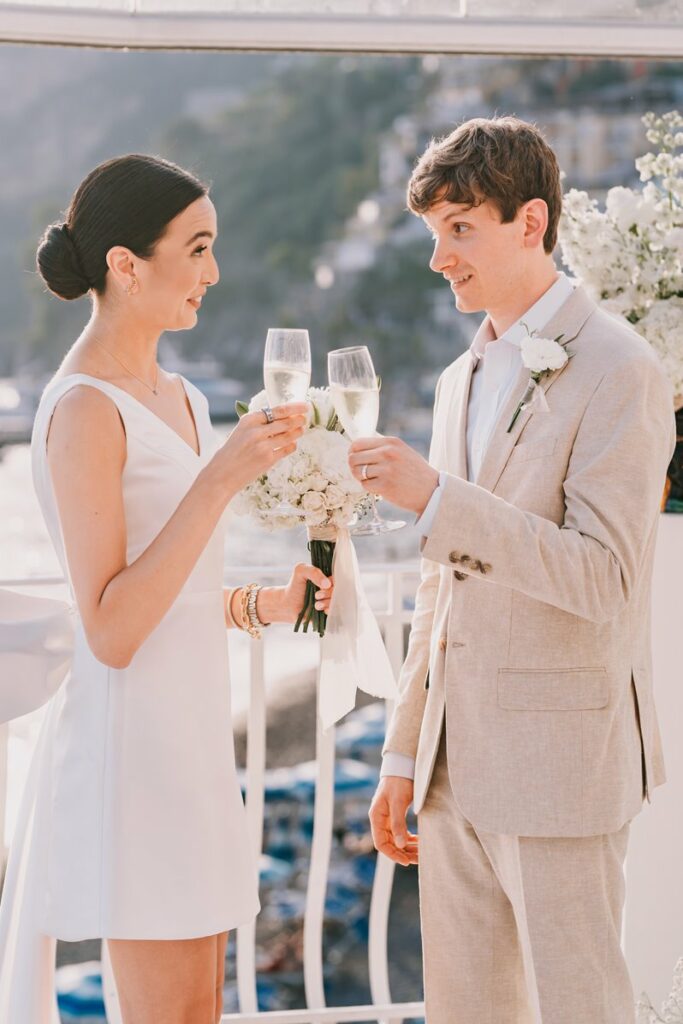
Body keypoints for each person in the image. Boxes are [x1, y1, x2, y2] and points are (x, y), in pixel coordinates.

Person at [348, 117, 676, 1023]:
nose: (438, 258)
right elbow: (439, 587)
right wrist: (405, 750)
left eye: (460, 228)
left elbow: (605, 579)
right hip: (454, 771)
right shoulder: (461, 376)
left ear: (529, 222)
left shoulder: (621, 369)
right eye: (433, 233)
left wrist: (436, 500)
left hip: (560, 767)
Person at [0, 153, 333, 1024]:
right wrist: (219, 480)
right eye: (195, 247)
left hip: (191, 747)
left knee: (199, 1015)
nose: (212, 272)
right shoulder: (83, 409)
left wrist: (264, 602)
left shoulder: (180, 395)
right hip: (132, 755)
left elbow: (174, 588)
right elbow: (110, 628)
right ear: (125, 264)